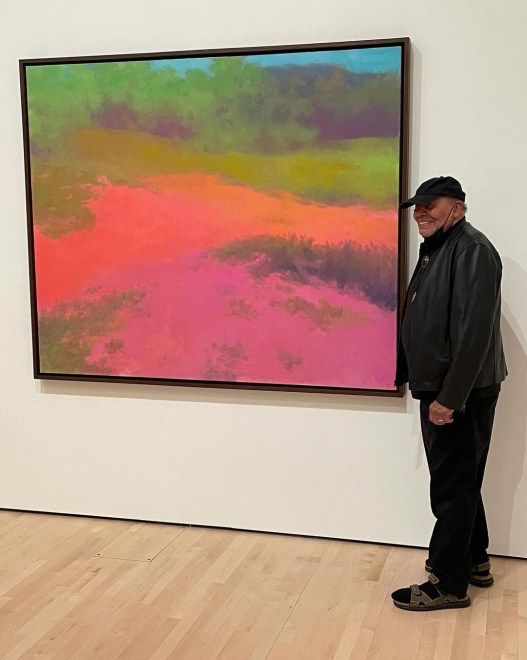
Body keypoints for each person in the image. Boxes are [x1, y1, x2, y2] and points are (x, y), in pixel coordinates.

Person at [391, 176, 507, 611]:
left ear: (457, 207)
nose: (421, 212)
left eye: (430, 205)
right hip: (446, 388)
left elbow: (474, 333)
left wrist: (449, 398)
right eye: (416, 207)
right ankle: (474, 559)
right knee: (462, 480)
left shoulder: (472, 250)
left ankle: (448, 582)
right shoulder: (441, 247)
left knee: (451, 486)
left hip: (459, 392)